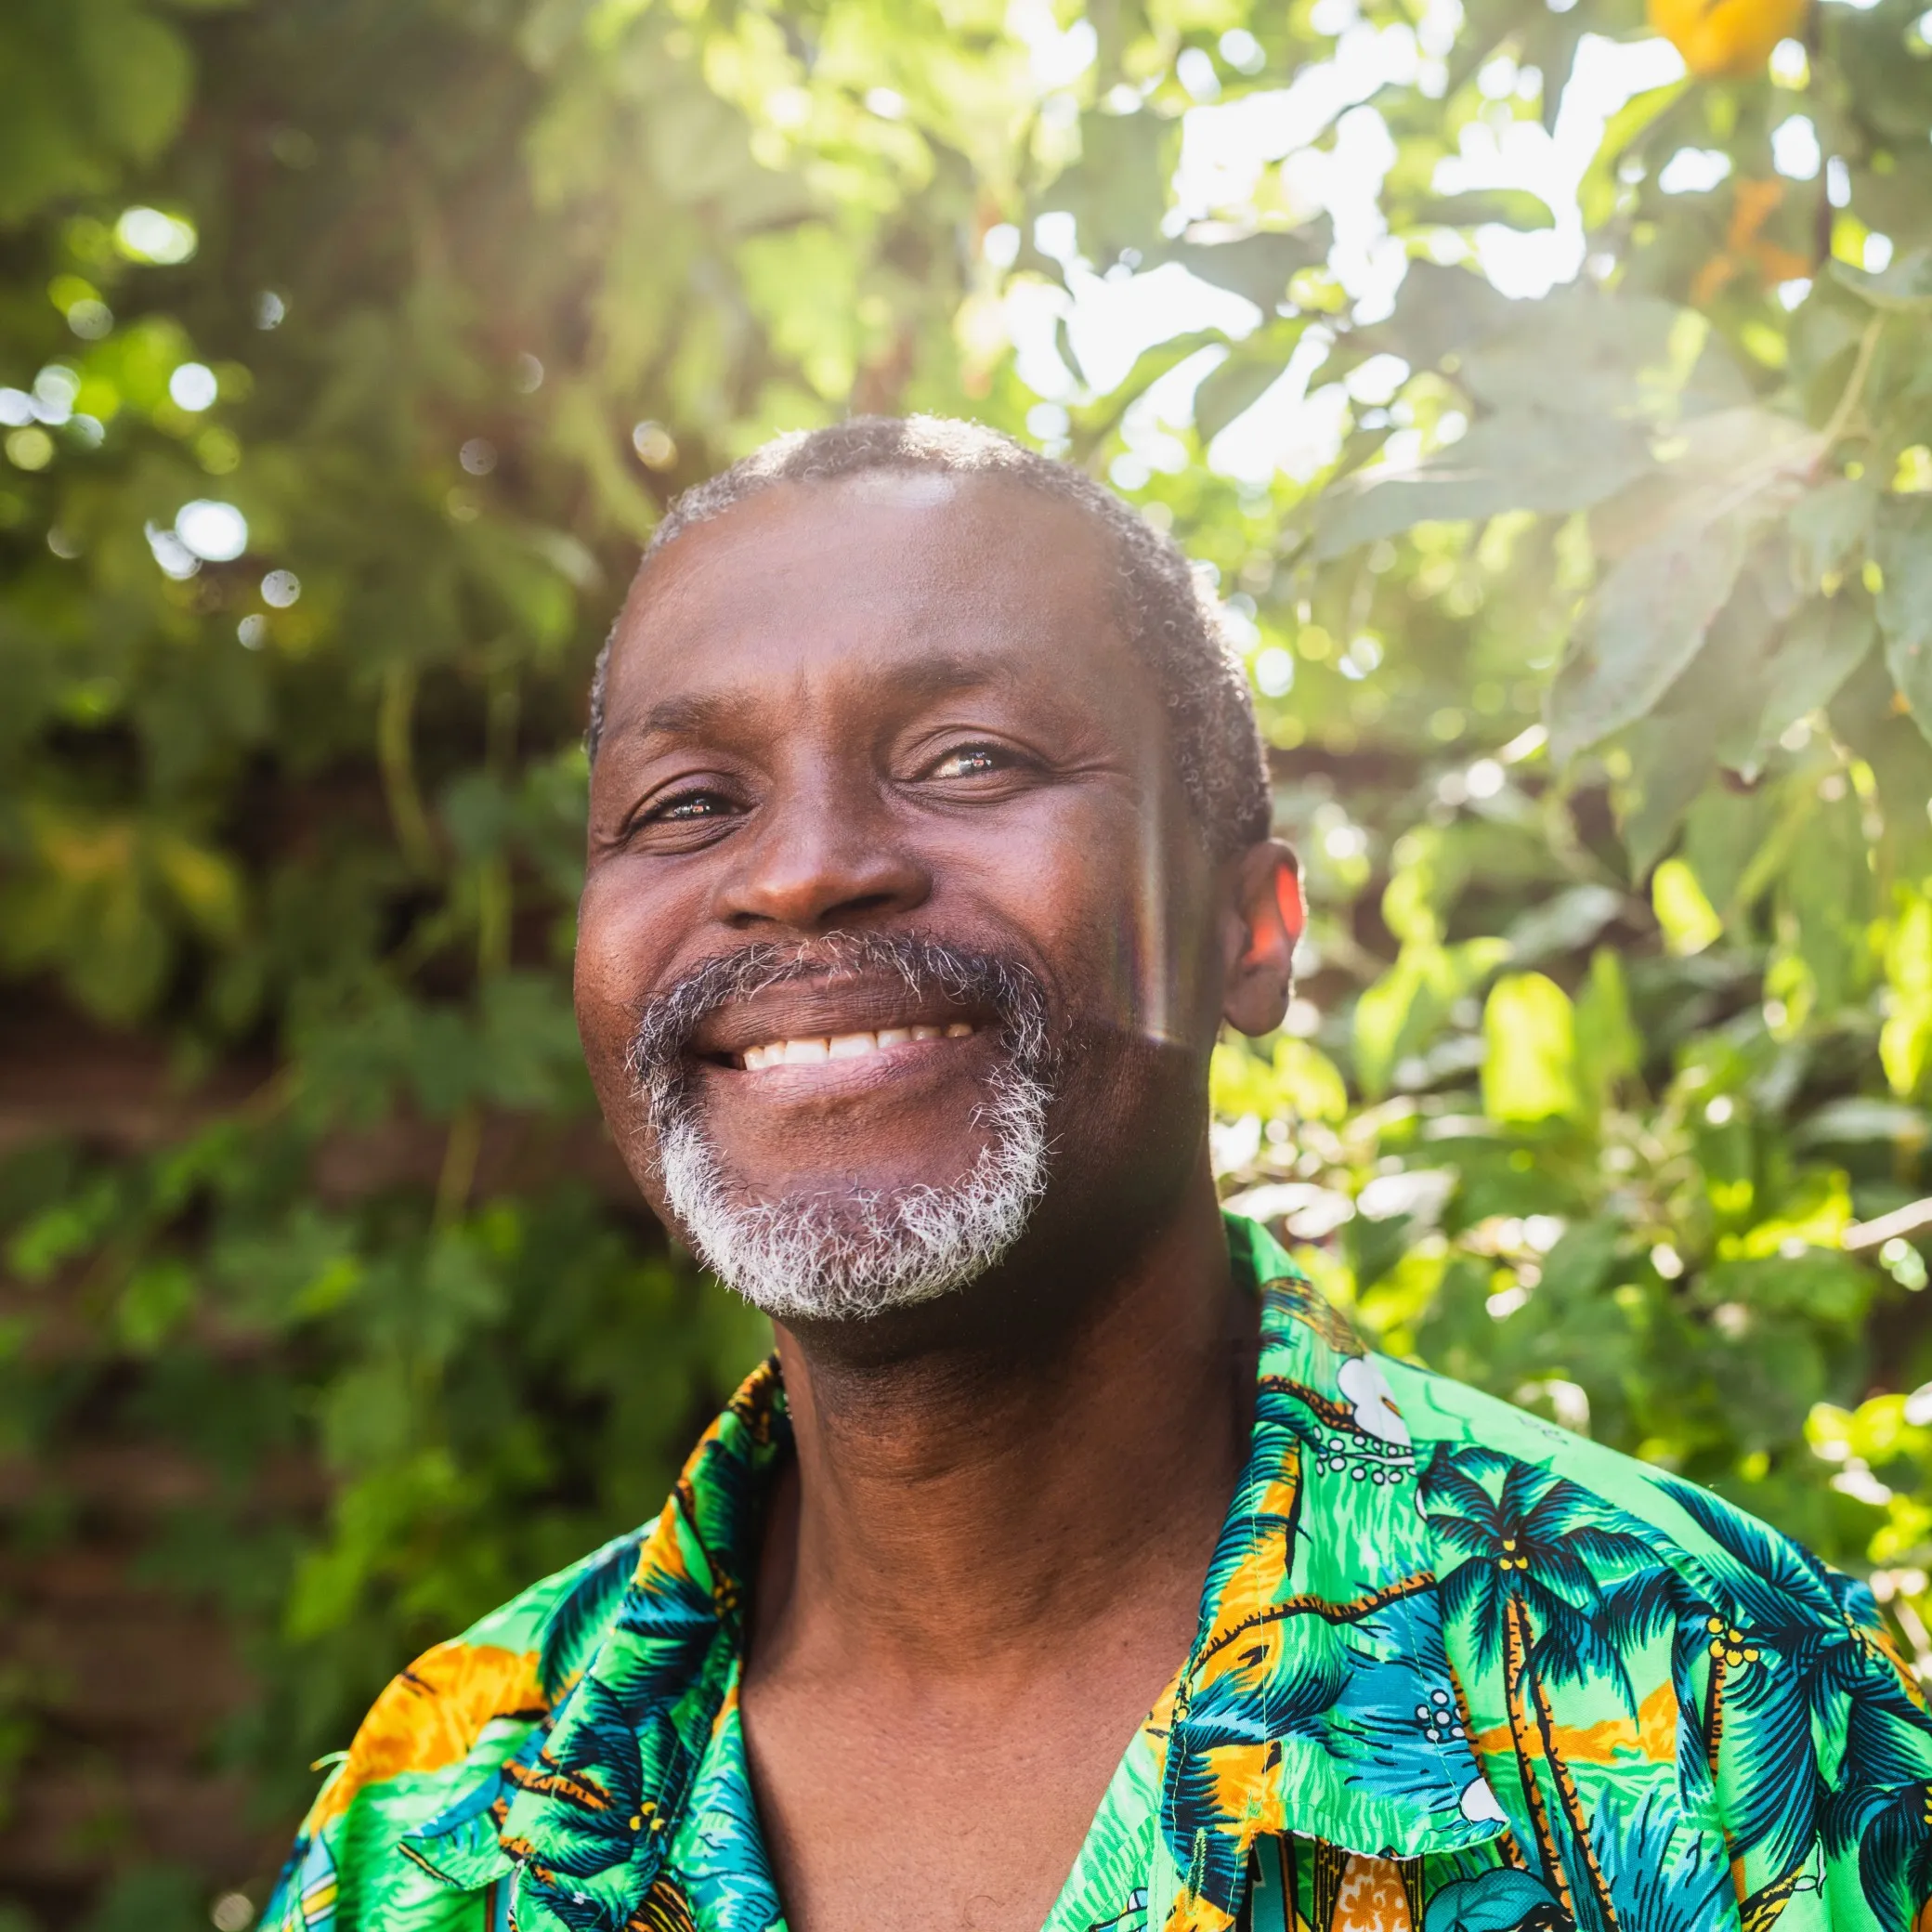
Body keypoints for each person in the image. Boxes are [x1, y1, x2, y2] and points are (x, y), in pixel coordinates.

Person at [264, 418, 1932, 1932]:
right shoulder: (437, 1825)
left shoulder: (1721, 1712)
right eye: (690, 801)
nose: (807, 869)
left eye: (969, 759)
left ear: (1248, 931)